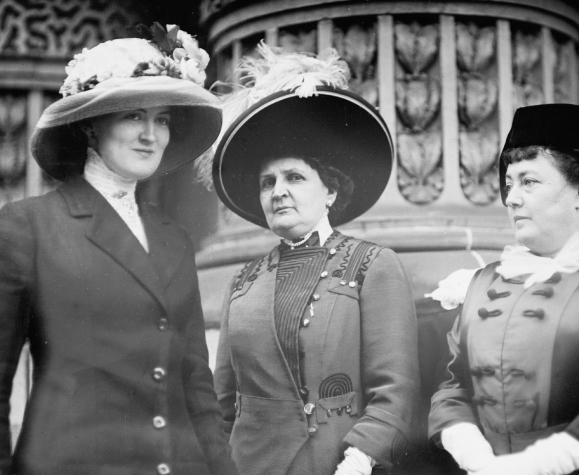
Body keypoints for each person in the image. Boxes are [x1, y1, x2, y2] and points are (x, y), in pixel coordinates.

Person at [0, 24, 238, 475]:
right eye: (133, 116)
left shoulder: (173, 238)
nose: (151, 135)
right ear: (90, 127)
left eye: (162, 119)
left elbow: (196, 389)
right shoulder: (27, 225)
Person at [205, 44, 420, 475]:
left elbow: (395, 392)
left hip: (338, 464)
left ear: (331, 191)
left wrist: (357, 462)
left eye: (295, 177)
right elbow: (222, 404)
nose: (277, 191)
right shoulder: (243, 282)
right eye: (268, 182)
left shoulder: (373, 265)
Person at [428, 103, 579, 475]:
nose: (511, 197)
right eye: (510, 183)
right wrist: (475, 458)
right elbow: (452, 388)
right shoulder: (484, 281)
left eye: (529, 181)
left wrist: (526, 467)